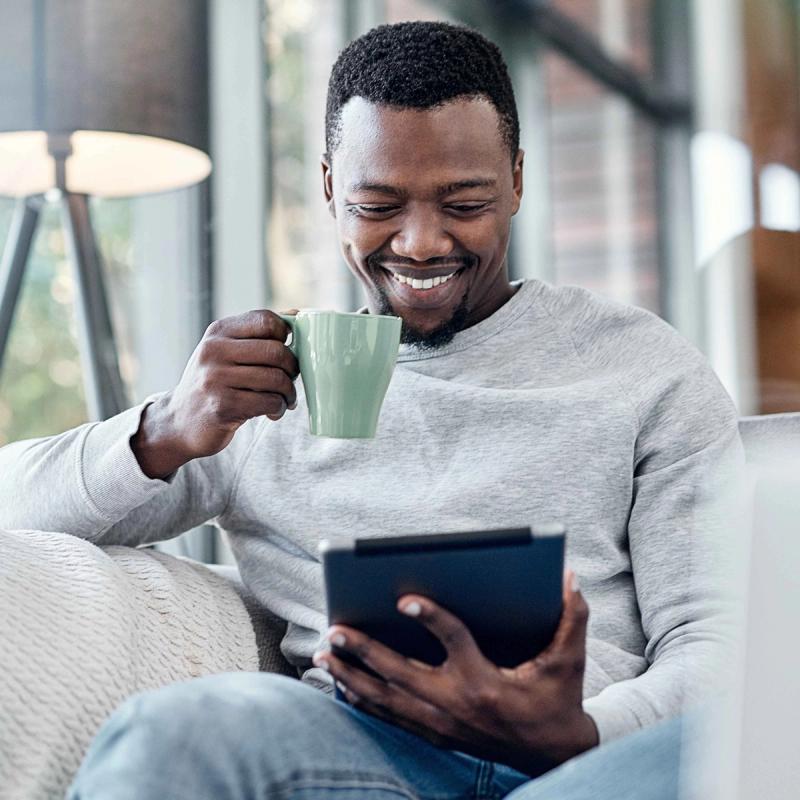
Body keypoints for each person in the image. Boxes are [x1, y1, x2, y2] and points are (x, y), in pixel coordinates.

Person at [0, 21, 741, 800]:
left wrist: (582, 735)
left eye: (465, 202)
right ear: (328, 187)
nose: (420, 243)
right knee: (172, 730)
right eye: (378, 204)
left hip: (590, 765)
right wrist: (166, 431)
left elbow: (718, 642)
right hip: (365, 765)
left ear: (517, 180)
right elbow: (12, 513)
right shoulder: (264, 389)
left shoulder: (644, 369)